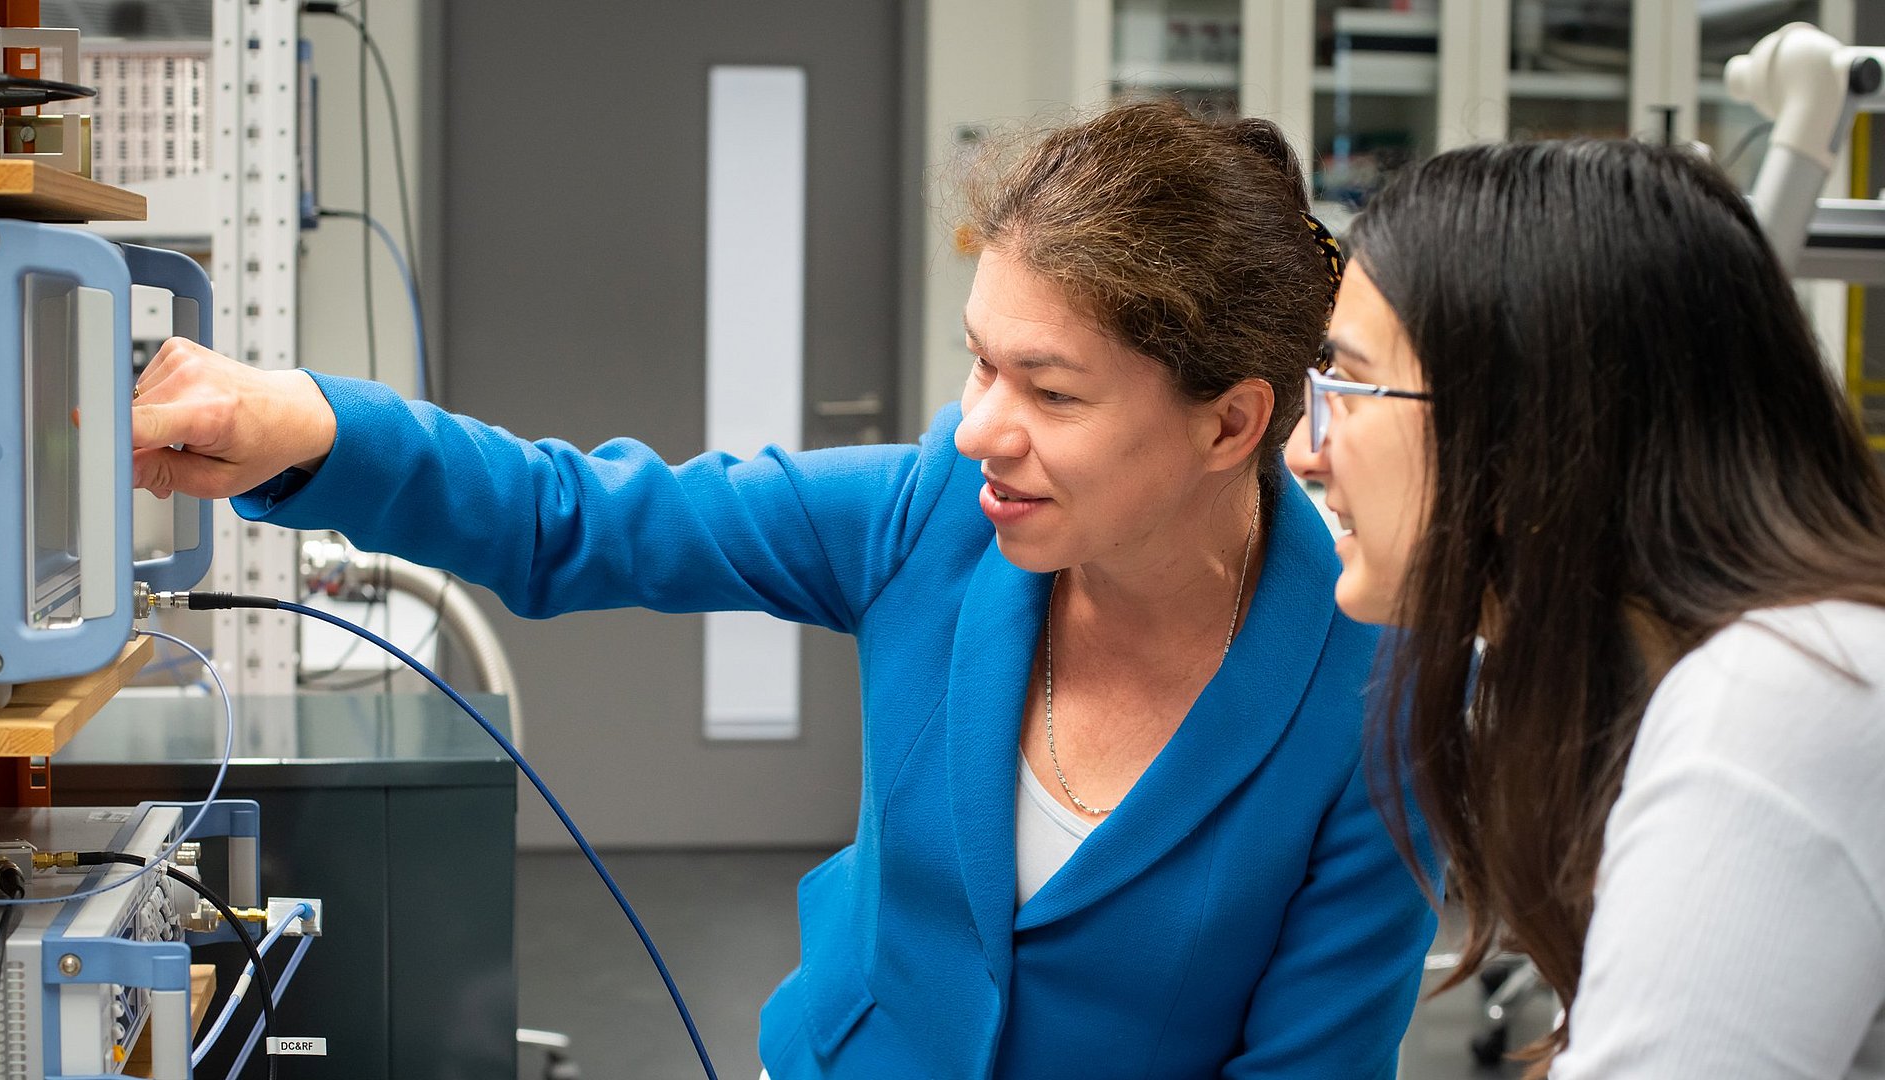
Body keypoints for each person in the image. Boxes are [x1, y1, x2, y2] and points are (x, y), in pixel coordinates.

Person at [134, 99, 1435, 1078]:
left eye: (1050, 391)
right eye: (979, 364)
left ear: (1230, 426)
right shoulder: (935, 513)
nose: (981, 425)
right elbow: (578, 516)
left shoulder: (1379, 706)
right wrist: (304, 424)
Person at [1286, 137, 1885, 1078]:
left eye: (1351, 390)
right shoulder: (1664, 685)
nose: (1306, 453)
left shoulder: (1779, 694)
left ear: (1529, 422)